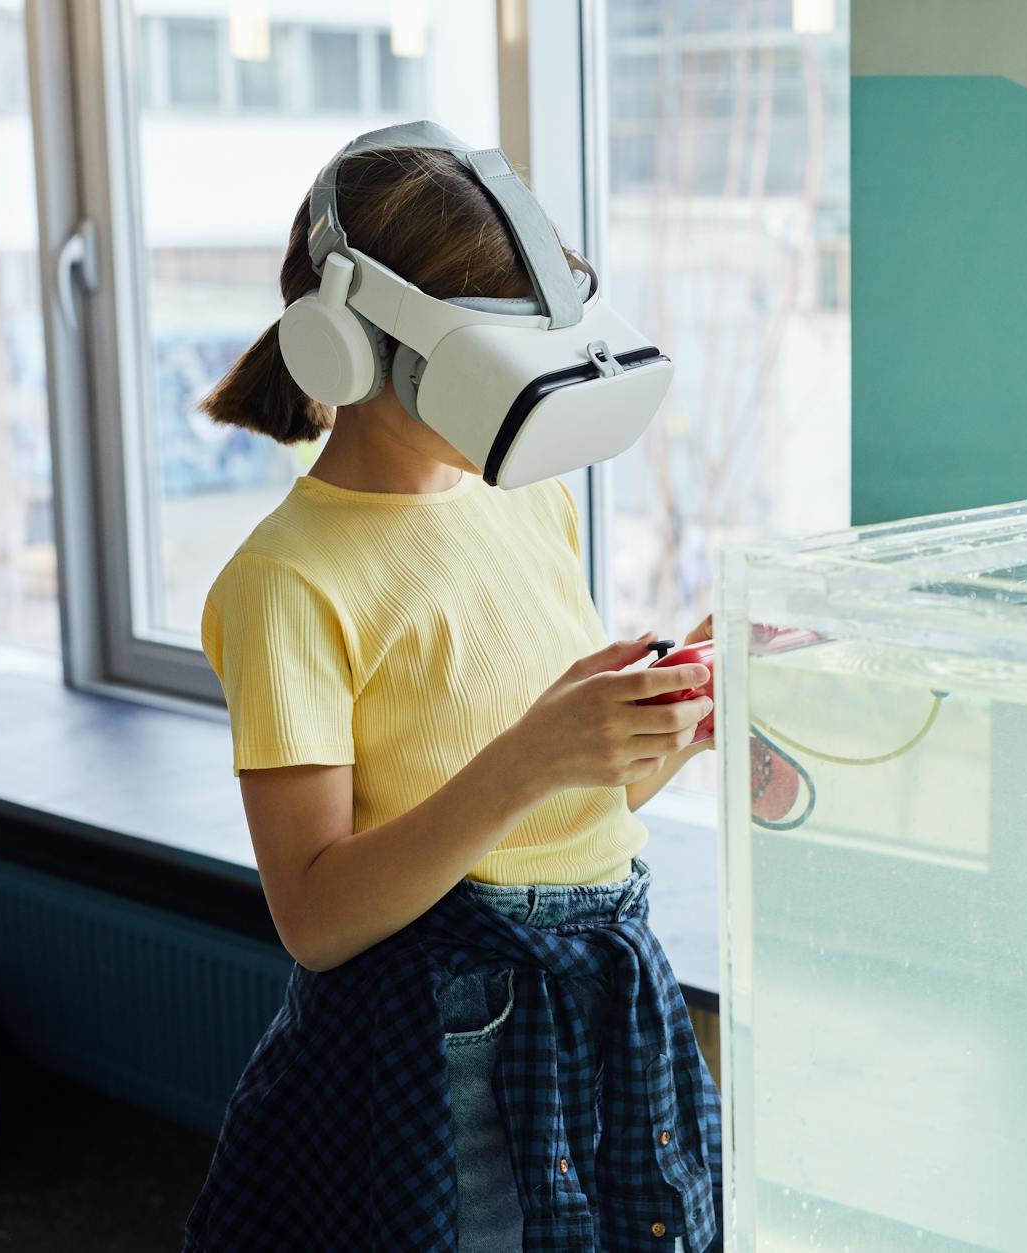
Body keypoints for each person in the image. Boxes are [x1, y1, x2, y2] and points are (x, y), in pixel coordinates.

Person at [180, 128, 719, 1251]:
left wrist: (669, 726)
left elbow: (566, 818)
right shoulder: (287, 582)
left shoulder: (525, 500)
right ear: (347, 350)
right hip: (445, 1041)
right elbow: (318, 918)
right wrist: (534, 752)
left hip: (607, 992)